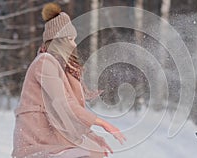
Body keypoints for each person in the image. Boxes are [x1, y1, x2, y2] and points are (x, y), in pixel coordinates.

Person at [12, 3, 126, 158]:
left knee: (96, 151)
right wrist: (103, 123)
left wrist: (92, 135)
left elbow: (66, 110)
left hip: (51, 136)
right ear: (59, 40)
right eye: (70, 39)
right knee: (92, 153)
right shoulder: (45, 62)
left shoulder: (59, 67)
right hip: (36, 140)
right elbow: (64, 104)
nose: (74, 44)